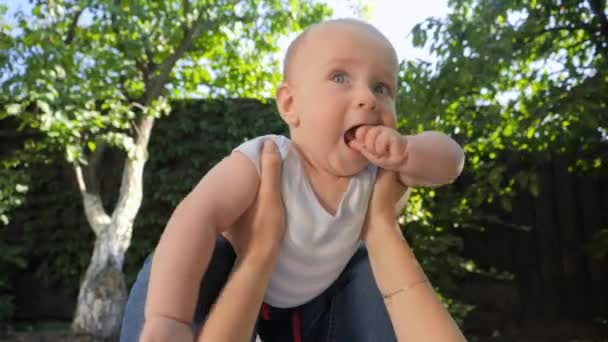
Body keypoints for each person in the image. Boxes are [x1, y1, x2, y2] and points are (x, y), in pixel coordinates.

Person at [121, 18, 466, 341]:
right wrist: (169, 316)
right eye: (340, 78)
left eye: (382, 87)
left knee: (365, 267)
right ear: (290, 104)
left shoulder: (378, 175)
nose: (367, 98)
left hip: (318, 300)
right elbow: (196, 216)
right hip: (232, 282)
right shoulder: (267, 159)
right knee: (200, 254)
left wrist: (407, 151)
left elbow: (451, 161)